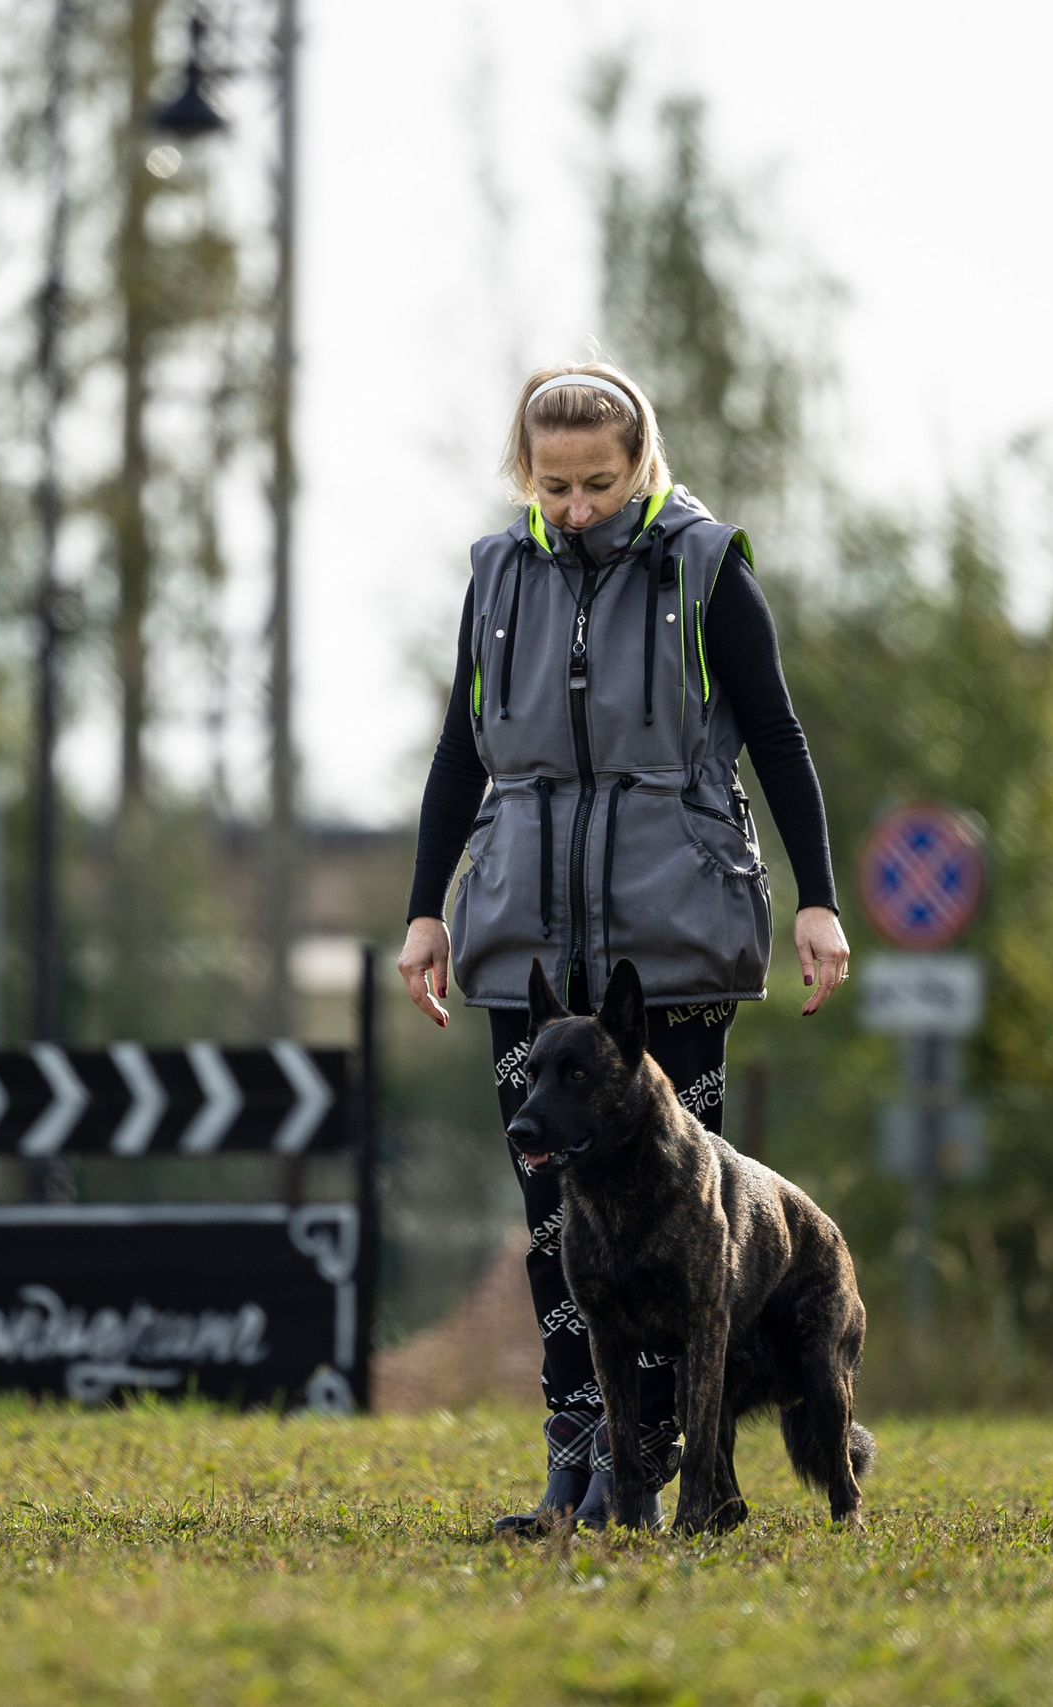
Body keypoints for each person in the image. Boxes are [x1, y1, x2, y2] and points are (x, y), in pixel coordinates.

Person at [398, 361, 850, 1534]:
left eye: (600, 482)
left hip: (673, 943)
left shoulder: (705, 570)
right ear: (525, 476)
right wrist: (425, 908)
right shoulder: (498, 578)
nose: (577, 507)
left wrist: (819, 897)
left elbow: (776, 735)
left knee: (677, 1229)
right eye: (554, 487)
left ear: (642, 463)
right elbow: (460, 750)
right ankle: (578, 1465)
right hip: (526, 941)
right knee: (558, 1221)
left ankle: (653, 1472)